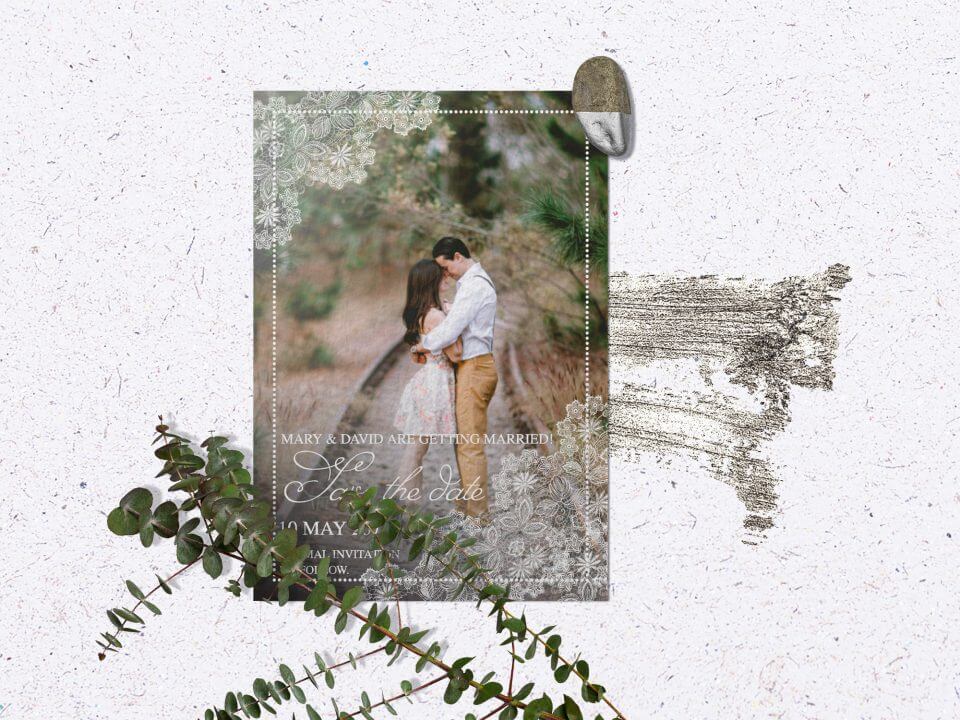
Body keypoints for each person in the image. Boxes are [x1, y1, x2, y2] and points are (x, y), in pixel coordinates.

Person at [413, 236, 498, 518]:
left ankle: (477, 517)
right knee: (464, 442)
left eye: (445, 266)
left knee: (470, 445)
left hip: (475, 368)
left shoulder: (474, 286)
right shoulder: (470, 284)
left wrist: (423, 344)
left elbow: (450, 330)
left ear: (458, 257)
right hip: (472, 368)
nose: (444, 273)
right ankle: (466, 509)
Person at [394, 259, 462, 502]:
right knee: (416, 451)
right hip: (436, 383)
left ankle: (408, 504)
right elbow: (456, 352)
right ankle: (407, 505)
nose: (446, 279)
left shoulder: (428, 311)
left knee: (416, 450)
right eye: (441, 276)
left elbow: (422, 351)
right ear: (430, 282)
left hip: (428, 379)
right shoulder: (435, 316)